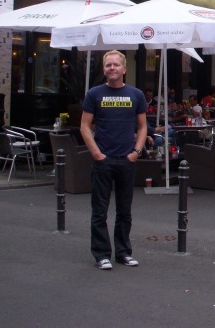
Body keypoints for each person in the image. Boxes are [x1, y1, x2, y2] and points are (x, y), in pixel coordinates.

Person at [80, 50, 147, 270]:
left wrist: (136, 152)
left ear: (124, 69)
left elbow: (143, 126)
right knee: (99, 211)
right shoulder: (94, 94)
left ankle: (123, 252)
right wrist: (97, 154)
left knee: (124, 211)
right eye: (108, 65)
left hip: (126, 160)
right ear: (104, 69)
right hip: (103, 160)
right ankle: (101, 254)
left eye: (116, 65)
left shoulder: (136, 94)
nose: (112, 68)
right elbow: (84, 127)